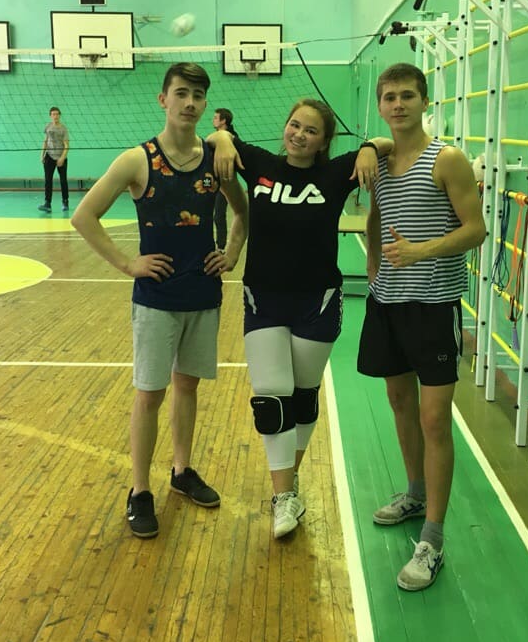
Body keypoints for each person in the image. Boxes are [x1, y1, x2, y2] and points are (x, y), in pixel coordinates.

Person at [71, 63, 248, 539]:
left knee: (187, 387)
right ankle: (139, 490)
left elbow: (242, 211)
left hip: (203, 294)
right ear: (163, 99)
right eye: (181, 93)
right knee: (150, 394)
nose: (190, 103)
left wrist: (231, 252)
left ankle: (182, 471)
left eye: (198, 95)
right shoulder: (137, 160)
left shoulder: (216, 159)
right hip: (156, 299)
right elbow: (84, 216)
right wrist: (128, 263)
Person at [211, 101, 387, 539]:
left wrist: (369, 146)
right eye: (294, 125)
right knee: (271, 399)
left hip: (317, 301)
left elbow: (387, 143)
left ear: (324, 141)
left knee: (304, 398)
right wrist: (223, 139)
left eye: (311, 130)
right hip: (264, 300)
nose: (299, 135)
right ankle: (283, 496)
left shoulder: (335, 174)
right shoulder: (261, 164)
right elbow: (216, 136)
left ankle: (288, 484)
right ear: (285, 127)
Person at [357, 63, 486, 590]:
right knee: (400, 403)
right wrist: (374, 265)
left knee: (435, 420)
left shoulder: (447, 159)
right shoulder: (380, 162)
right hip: (386, 304)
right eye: (389, 97)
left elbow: (476, 230)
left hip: (433, 307)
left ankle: (432, 538)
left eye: (407, 95)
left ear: (424, 100)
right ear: (381, 105)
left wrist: (420, 252)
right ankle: (414, 493)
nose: (398, 104)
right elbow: (375, 215)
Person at [212, 108, 238, 249]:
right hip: (212, 181)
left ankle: (220, 247)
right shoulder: (215, 137)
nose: (213, 120)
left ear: (223, 121)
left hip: (225, 182)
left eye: (216, 118)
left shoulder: (232, 139)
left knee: (219, 215)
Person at [39, 106, 70, 212]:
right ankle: (47, 204)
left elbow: (67, 145)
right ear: (50, 116)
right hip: (49, 156)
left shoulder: (63, 129)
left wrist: (62, 158)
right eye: (53, 114)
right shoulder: (48, 126)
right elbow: (45, 141)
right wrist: (42, 154)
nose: (55, 116)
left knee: (63, 181)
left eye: (57, 114)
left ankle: (65, 202)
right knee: (48, 180)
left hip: (60, 156)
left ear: (59, 115)